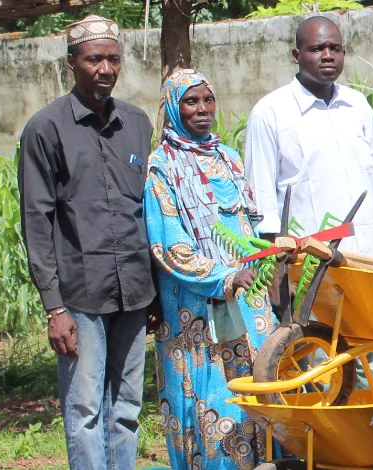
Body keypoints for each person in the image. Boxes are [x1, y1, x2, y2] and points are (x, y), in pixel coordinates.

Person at [17, 15, 154, 470]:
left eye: (113, 59)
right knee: (85, 410)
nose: (105, 68)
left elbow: (148, 211)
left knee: (128, 408)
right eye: (95, 59)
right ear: (72, 63)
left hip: (134, 291)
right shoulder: (45, 128)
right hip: (79, 295)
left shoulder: (136, 123)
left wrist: (154, 287)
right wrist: (54, 307)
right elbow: (37, 219)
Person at [243, 16, 373, 389]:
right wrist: (276, 279)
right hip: (313, 270)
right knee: (325, 373)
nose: (327, 56)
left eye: (335, 48)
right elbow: (263, 201)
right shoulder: (271, 113)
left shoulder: (358, 106)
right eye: (317, 49)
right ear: (297, 54)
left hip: (370, 263)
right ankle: (332, 448)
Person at [144, 69, 276, 470]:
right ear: (172, 107)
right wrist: (223, 277)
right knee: (211, 397)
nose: (202, 110)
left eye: (208, 100)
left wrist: (265, 258)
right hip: (196, 307)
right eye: (190, 101)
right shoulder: (161, 167)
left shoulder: (229, 158)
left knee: (259, 385)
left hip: (248, 298)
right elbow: (169, 245)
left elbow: (247, 228)